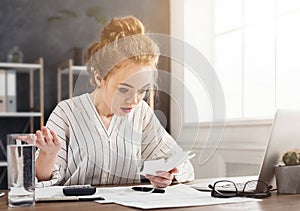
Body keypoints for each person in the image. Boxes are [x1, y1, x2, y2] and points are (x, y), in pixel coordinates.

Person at [34, 16, 194, 188]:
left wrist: (168, 174)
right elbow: (41, 181)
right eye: (124, 89)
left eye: (142, 91)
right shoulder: (66, 112)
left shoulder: (141, 112)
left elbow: (184, 166)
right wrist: (47, 155)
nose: (133, 100)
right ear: (99, 77)